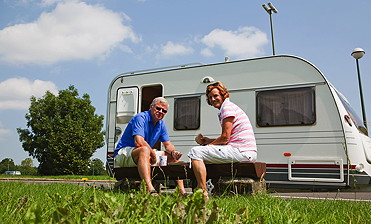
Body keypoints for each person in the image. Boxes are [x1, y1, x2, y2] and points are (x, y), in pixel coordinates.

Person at [188, 81, 257, 197]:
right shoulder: (228, 107)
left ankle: (202, 192)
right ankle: (214, 190)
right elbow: (227, 138)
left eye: (216, 96)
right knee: (206, 154)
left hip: (241, 151)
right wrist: (208, 141)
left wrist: (209, 145)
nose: (213, 99)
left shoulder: (227, 108)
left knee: (195, 152)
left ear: (223, 95)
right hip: (244, 150)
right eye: (210, 97)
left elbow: (225, 138)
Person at [114, 97, 186, 195]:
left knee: (172, 158)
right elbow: (139, 141)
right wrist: (152, 153)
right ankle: (149, 189)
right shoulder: (140, 117)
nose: (161, 112)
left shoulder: (161, 124)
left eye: (164, 111)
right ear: (151, 107)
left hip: (144, 153)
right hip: (123, 153)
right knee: (144, 150)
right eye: (158, 108)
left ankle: (182, 192)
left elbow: (168, 144)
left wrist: (174, 152)